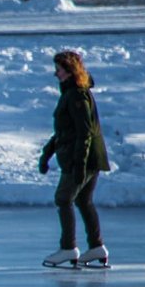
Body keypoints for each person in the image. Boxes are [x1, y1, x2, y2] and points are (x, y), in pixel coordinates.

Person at [39, 50, 112, 269]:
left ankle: (68, 247)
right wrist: (47, 153)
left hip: (81, 159)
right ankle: (97, 246)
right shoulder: (73, 93)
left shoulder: (77, 95)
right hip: (87, 158)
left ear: (70, 71)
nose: (56, 74)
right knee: (83, 201)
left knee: (63, 198)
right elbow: (65, 131)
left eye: (59, 70)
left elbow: (84, 133)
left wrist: (79, 165)